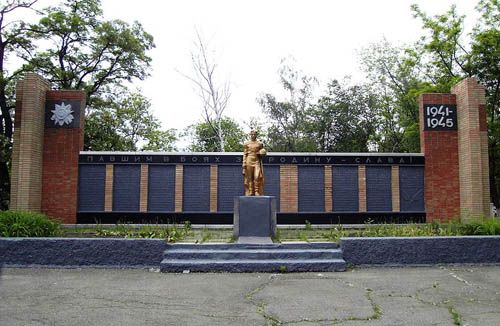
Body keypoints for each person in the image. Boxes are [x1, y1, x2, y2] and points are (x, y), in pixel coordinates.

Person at [242, 130, 266, 196]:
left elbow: (262, 152)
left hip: (256, 161)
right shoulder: (247, 144)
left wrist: (262, 153)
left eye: (254, 134)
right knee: (249, 177)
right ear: (250, 135)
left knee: (257, 176)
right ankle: (250, 191)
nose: (253, 136)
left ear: (256, 135)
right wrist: (244, 165)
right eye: (252, 134)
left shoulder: (260, 143)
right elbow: (244, 154)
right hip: (249, 160)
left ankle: (256, 191)